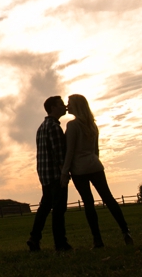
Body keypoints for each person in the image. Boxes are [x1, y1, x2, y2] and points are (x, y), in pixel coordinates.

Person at [60, 94, 133, 248]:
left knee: (89, 203)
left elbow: (70, 152)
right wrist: (94, 161)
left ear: (77, 106)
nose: (67, 106)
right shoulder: (92, 125)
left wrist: (65, 172)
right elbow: (96, 150)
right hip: (95, 165)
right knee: (109, 198)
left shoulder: (73, 126)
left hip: (79, 170)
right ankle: (125, 230)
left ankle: (97, 240)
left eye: (70, 103)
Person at [27, 96, 72, 252]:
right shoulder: (54, 127)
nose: (65, 107)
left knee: (44, 208)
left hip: (44, 175)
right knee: (59, 210)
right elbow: (59, 154)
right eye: (61, 105)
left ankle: (34, 238)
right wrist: (64, 173)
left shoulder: (41, 127)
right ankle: (60, 243)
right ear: (53, 107)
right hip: (55, 175)